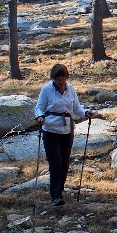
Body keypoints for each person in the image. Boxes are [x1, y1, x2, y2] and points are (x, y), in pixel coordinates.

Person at [34, 63, 95, 206]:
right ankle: (55, 195)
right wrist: (40, 117)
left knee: (65, 163)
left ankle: (59, 192)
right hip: (50, 130)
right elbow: (39, 107)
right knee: (55, 162)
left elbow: (76, 108)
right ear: (53, 78)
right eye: (58, 78)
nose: (61, 81)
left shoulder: (71, 89)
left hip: (67, 130)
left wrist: (86, 113)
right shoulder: (46, 89)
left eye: (63, 78)